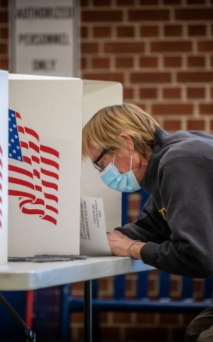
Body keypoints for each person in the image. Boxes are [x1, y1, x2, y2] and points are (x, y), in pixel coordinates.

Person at [82, 103, 213, 342]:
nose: (103, 172)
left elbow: (198, 258)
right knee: (195, 332)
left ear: (126, 142)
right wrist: (103, 239)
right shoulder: (171, 156)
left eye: (101, 162)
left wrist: (133, 248)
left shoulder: (179, 162)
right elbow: (153, 227)